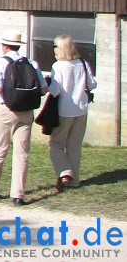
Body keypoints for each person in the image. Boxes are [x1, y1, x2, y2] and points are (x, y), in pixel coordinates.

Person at [0, 30, 47, 206]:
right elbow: (43, 89)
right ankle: (18, 194)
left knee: (0, 148)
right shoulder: (31, 63)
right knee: (22, 153)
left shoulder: (0, 63)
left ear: (4, 46)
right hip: (26, 111)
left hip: (7, 109)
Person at [47, 34, 97, 189]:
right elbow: (92, 84)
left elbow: (55, 90)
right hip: (81, 109)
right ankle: (74, 181)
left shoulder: (58, 66)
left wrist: (48, 81)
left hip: (64, 110)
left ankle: (65, 173)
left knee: (56, 144)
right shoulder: (82, 63)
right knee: (75, 145)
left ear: (59, 49)